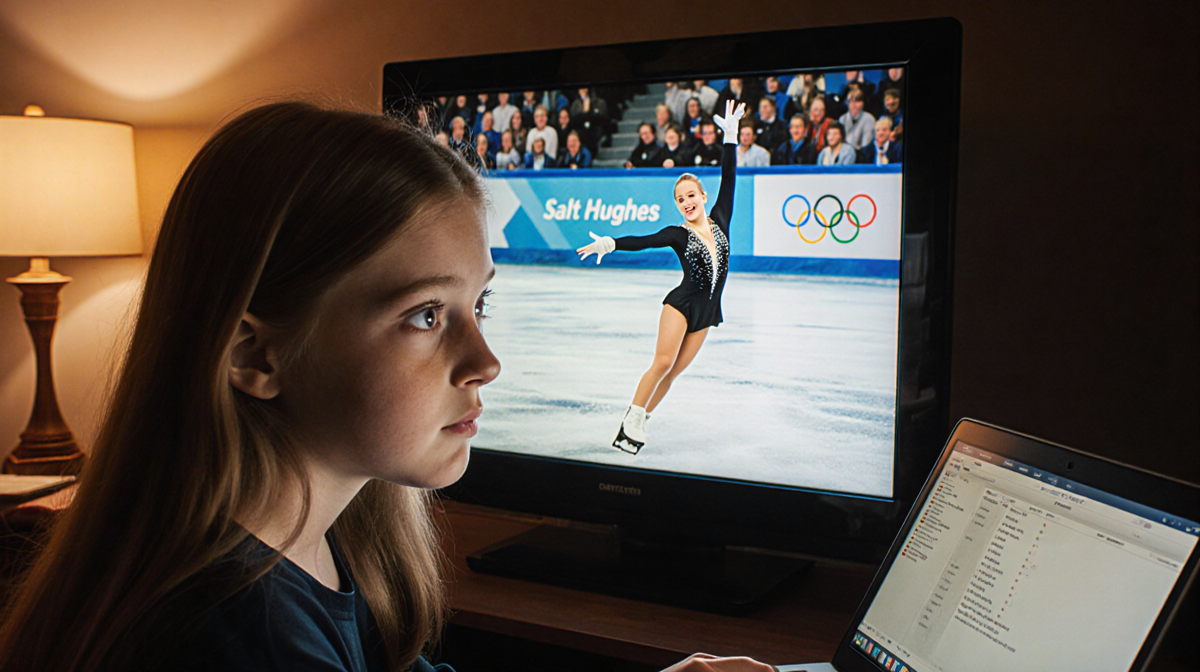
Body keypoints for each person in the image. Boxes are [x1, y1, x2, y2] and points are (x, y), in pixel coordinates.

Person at [0, 101, 777, 672]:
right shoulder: (244, 642)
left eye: (481, 304)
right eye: (426, 315)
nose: (486, 361)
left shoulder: (316, 544)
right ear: (256, 356)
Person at [576, 102, 746, 454]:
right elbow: (643, 241)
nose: (686, 202)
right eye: (680, 199)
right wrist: (610, 243)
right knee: (663, 363)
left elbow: (729, 178)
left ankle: (637, 423)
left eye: (691, 196)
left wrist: (730, 138)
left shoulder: (721, 219)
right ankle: (633, 416)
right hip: (681, 305)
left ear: (703, 197)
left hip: (707, 312)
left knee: (673, 374)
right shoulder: (677, 234)